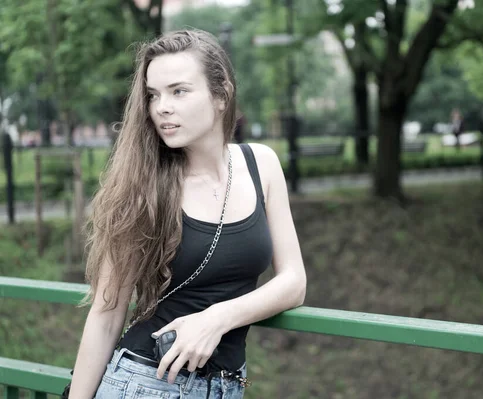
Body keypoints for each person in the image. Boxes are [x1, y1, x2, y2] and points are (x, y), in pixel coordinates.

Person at [67, 29, 307, 398]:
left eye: (179, 91)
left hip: (226, 386)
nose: (162, 106)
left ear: (221, 94)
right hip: (145, 382)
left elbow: (293, 282)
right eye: (153, 95)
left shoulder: (263, 165)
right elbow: (106, 313)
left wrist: (217, 318)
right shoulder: (143, 187)